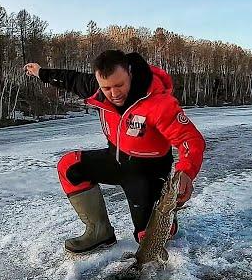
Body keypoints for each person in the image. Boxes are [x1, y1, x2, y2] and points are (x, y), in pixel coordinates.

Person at [24, 50, 205, 254]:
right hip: (115, 159)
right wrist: (41, 72)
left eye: (119, 85)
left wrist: (186, 172)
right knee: (69, 166)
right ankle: (100, 231)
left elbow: (190, 139)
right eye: (107, 87)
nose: (114, 93)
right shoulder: (98, 89)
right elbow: (71, 79)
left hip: (148, 172)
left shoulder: (159, 103)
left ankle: (164, 217)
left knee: (146, 239)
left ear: (130, 72)